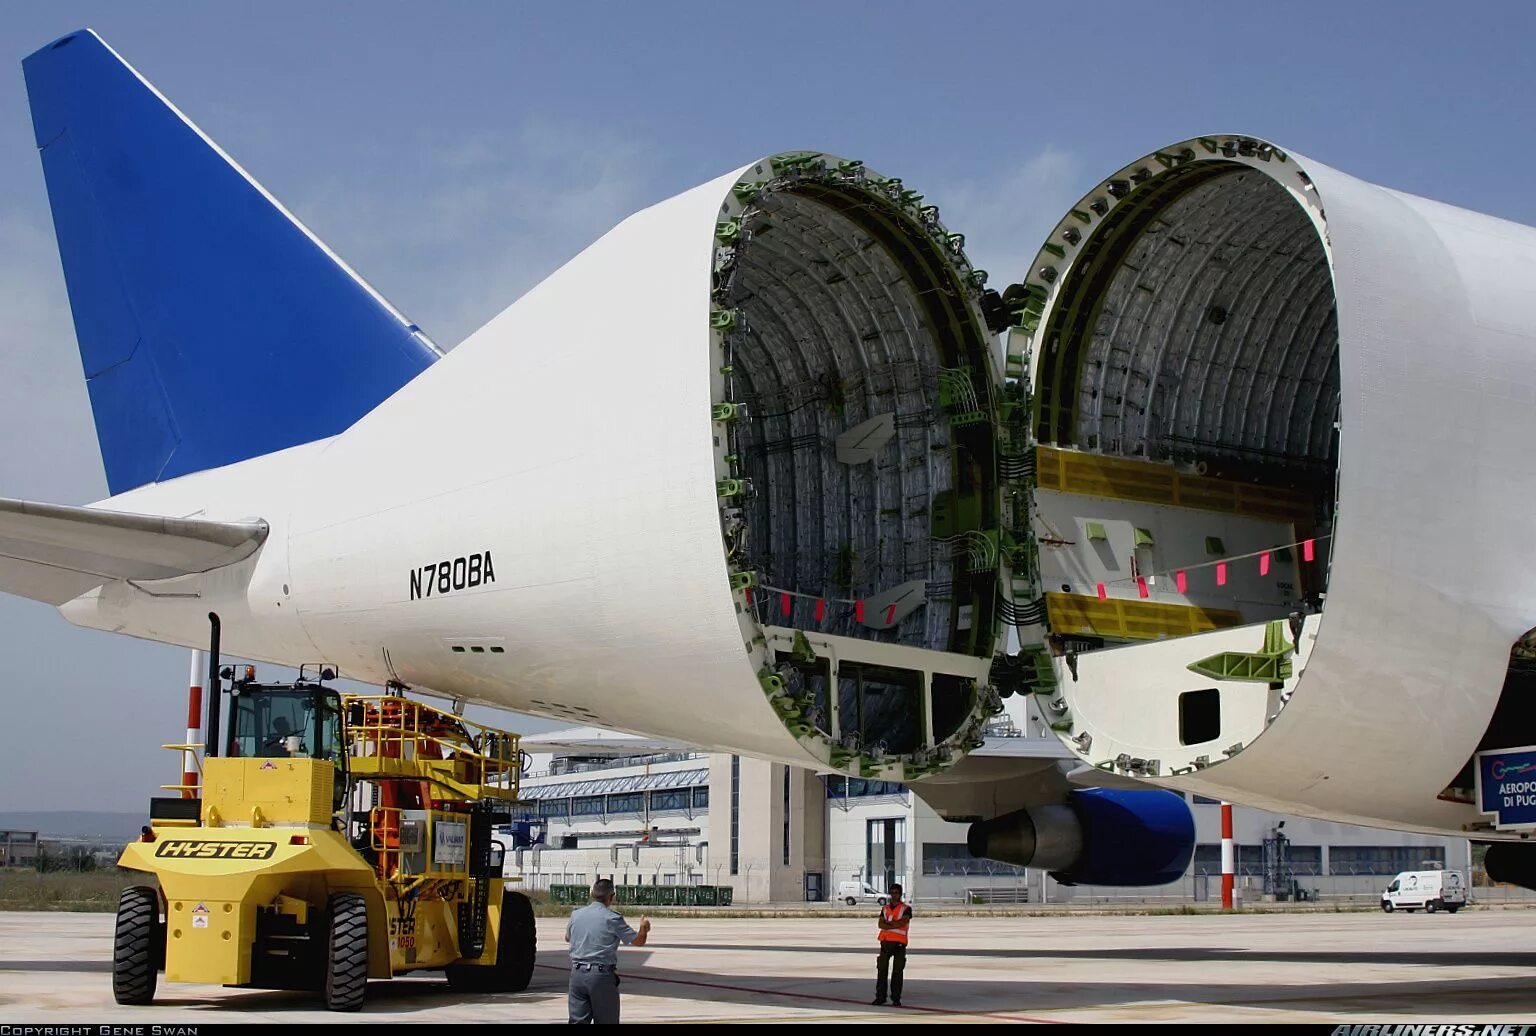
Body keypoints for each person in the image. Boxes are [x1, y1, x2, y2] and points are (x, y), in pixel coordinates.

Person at [566, 877, 651, 1023]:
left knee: (577, 1021)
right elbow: (638, 941)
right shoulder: (612, 918)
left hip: (577, 975)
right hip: (600, 976)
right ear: (611, 897)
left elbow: (568, 938)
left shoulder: (576, 914)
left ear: (592, 894)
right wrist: (644, 928)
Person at [871, 882, 911, 1007]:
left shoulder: (906, 909)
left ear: (900, 894)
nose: (894, 895)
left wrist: (889, 925)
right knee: (882, 971)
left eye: (896, 893)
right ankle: (880, 997)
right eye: (892, 893)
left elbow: (902, 923)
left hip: (899, 944)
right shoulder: (885, 909)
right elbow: (880, 924)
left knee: (897, 973)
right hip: (885, 943)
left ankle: (896, 998)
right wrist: (894, 923)